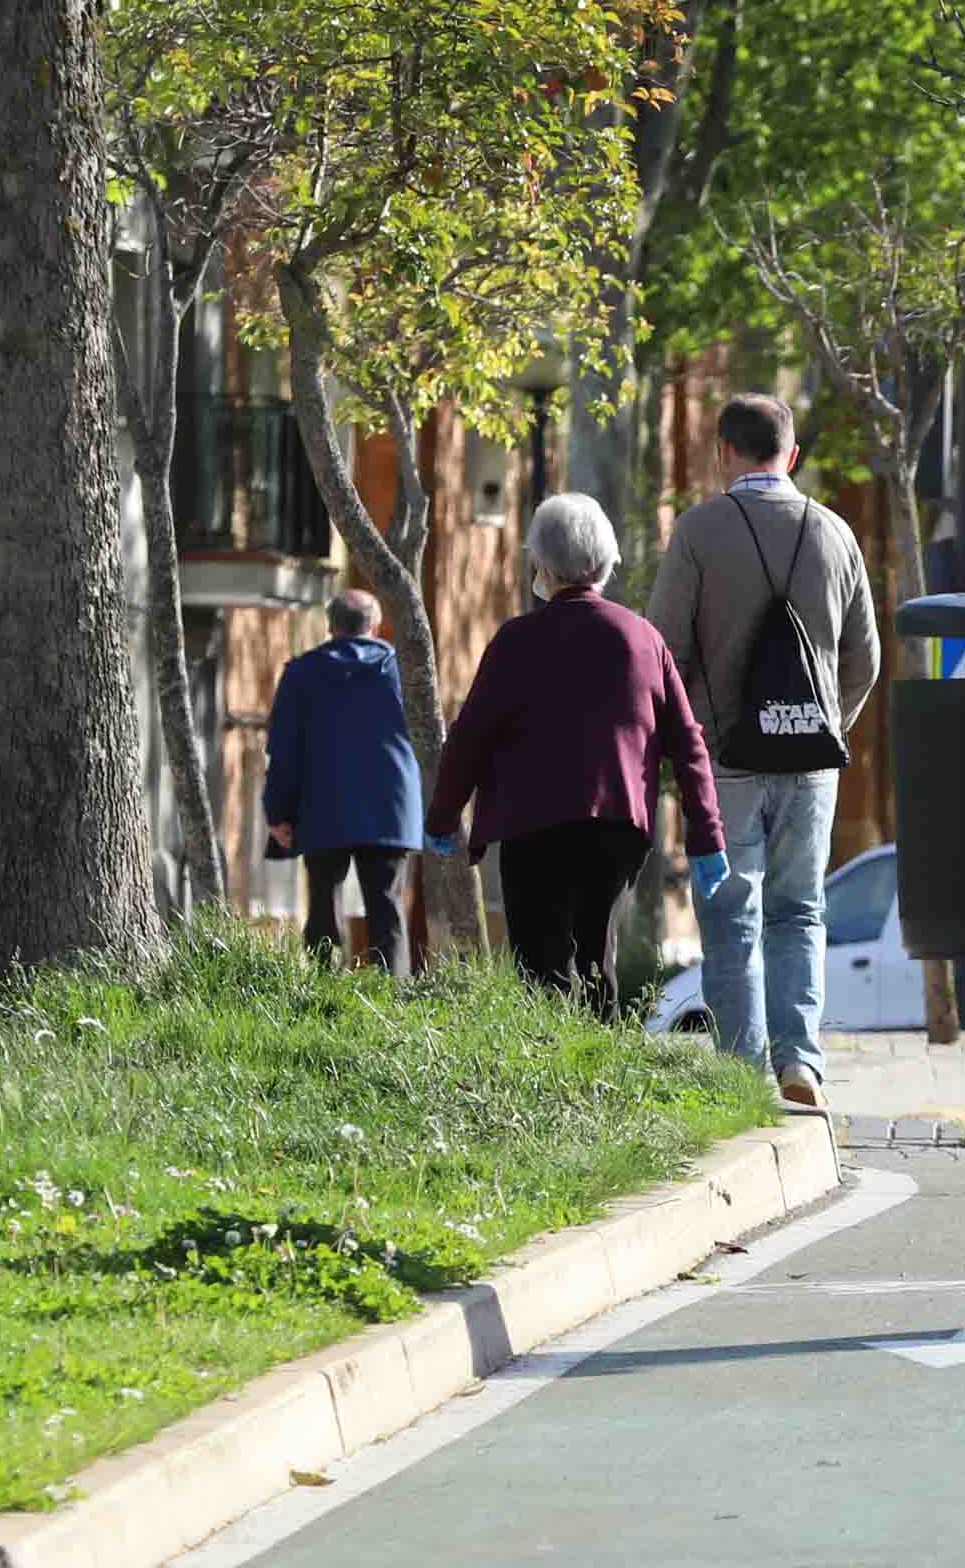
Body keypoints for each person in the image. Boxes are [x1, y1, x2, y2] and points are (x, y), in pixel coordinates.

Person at [645, 394, 879, 1109]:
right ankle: (800, 1062)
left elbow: (662, 652)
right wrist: (821, 724)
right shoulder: (836, 534)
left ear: (725, 451)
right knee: (799, 910)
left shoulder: (699, 531)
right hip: (811, 762)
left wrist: (677, 751)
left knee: (730, 916)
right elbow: (864, 658)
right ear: (793, 455)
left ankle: (741, 1072)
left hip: (725, 765)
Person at [428, 493, 728, 1018]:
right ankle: (600, 1077)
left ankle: (549, 1074)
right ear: (608, 561)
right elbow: (688, 743)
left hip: (531, 825)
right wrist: (706, 836)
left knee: (540, 966)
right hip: (614, 827)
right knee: (597, 957)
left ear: (540, 564)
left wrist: (444, 818)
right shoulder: (642, 639)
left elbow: (471, 736)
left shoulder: (516, 641)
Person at [264, 589, 424, 975]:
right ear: (374, 624)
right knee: (386, 906)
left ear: (331, 625)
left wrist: (278, 812)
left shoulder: (301, 673)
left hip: (322, 805)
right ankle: (392, 994)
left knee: (322, 901)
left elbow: (283, 750)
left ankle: (324, 986)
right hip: (391, 808)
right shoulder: (404, 670)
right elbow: (429, 736)